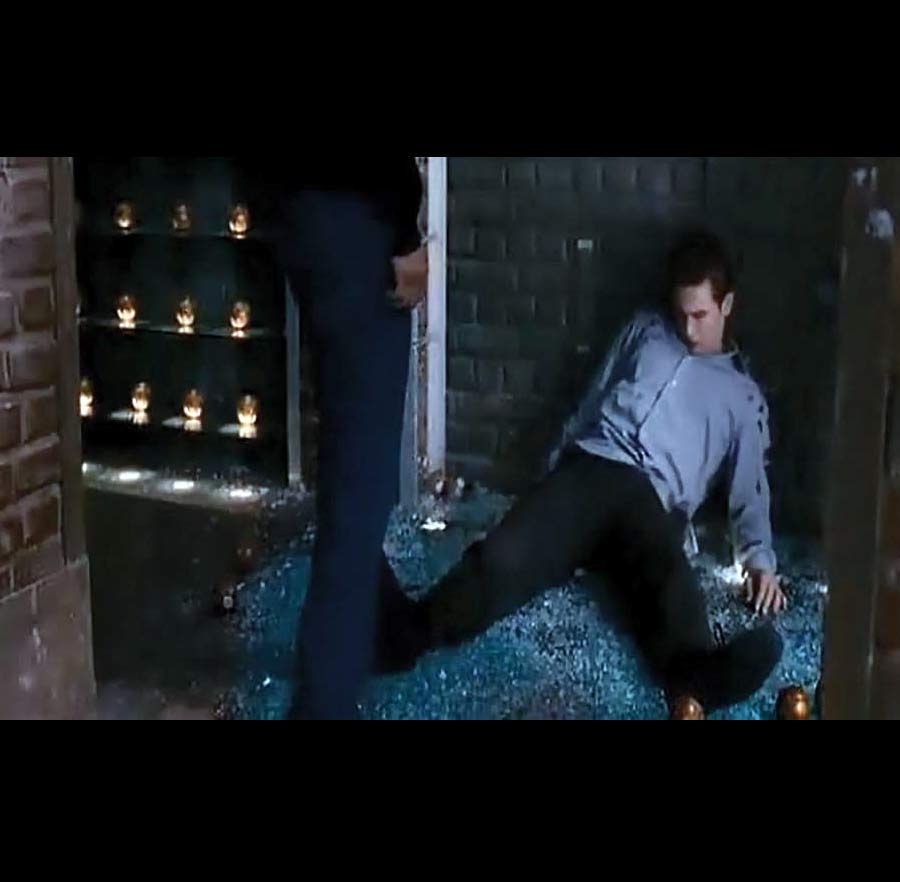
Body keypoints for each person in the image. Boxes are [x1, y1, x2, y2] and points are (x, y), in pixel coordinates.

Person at [388, 230, 786, 715]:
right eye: (681, 313)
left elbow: (751, 489)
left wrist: (759, 561)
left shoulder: (742, 397)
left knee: (665, 578)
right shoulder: (646, 330)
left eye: (700, 316)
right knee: (505, 558)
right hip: (595, 464)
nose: (687, 328)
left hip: (652, 496)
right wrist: (552, 480)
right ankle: (408, 633)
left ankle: (699, 675)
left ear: (727, 306)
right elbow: (593, 398)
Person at [274, 157, 428, 719]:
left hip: (302, 215)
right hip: (359, 223)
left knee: (350, 449)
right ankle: (324, 702)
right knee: (362, 476)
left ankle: (385, 629)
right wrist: (406, 235)